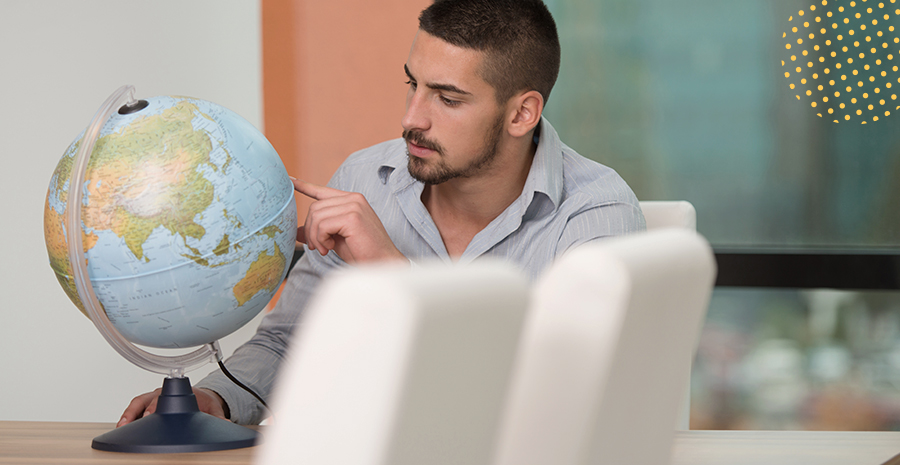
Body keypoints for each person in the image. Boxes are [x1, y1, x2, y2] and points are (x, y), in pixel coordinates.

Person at [118, 0, 646, 426]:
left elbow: (568, 403)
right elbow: (290, 342)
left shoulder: (596, 216)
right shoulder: (366, 178)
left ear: (522, 112)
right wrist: (219, 402)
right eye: (412, 84)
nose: (411, 118)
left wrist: (394, 273)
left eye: (448, 98)